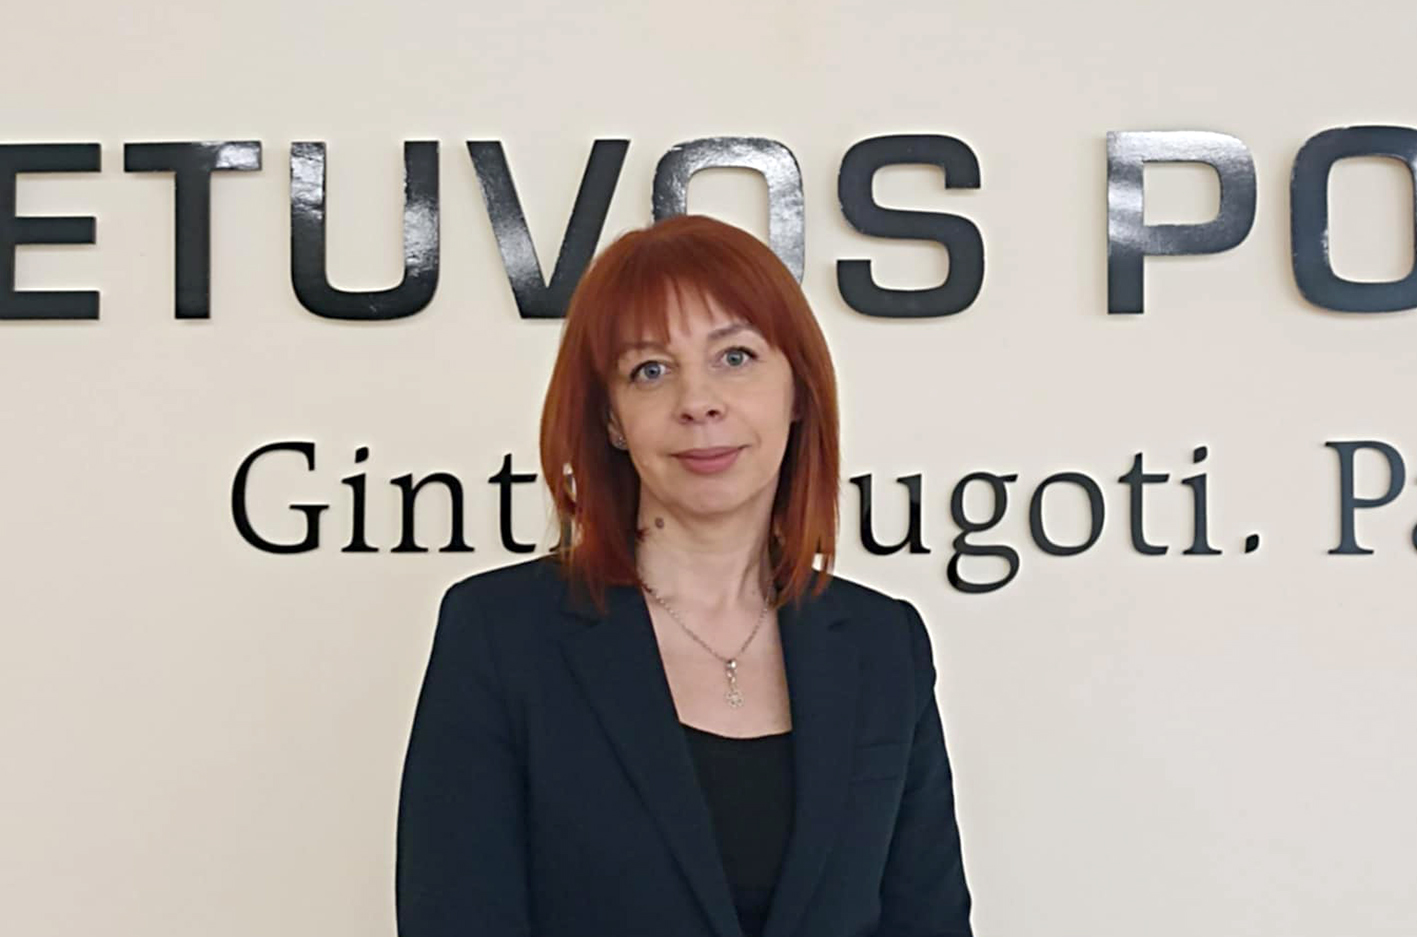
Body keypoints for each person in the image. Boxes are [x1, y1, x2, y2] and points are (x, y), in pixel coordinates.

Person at [395, 213, 973, 937]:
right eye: (650, 370)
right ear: (612, 420)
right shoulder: (500, 633)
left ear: (797, 391)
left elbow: (929, 919)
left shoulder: (884, 643)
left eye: (735, 356)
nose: (697, 402)